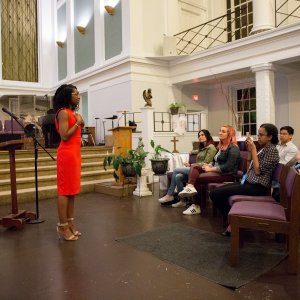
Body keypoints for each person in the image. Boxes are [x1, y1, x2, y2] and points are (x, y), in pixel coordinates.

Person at [210, 123, 279, 236]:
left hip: (257, 187)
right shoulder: (264, 149)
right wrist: (250, 151)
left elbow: (258, 171)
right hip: (248, 182)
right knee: (215, 192)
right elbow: (250, 166)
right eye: (258, 134)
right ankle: (233, 221)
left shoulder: (272, 150)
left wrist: (253, 150)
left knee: (216, 194)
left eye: (261, 135)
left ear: (270, 137)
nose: (258, 137)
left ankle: (234, 222)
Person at [179, 125, 241, 215]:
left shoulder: (233, 148)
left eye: (223, 131)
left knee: (198, 178)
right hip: (217, 171)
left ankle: (197, 205)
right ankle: (191, 189)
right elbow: (215, 161)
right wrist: (209, 164)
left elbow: (228, 167)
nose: (220, 133)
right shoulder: (221, 146)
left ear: (230, 134)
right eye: (220, 130)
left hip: (227, 175)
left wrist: (211, 169)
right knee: (195, 167)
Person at [53, 84, 84, 241]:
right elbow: (64, 136)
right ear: (67, 96)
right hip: (66, 154)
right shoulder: (63, 113)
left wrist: (79, 123)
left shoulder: (71, 112)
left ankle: (70, 223)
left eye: (78, 94)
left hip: (74, 154)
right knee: (64, 191)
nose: (78, 96)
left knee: (72, 191)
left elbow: (75, 133)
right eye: (75, 94)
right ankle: (62, 226)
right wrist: (78, 123)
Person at [158, 130, 217, 207]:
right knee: (178, 177)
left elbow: (206, 162)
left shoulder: (211, 148)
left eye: (202, 135)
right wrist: (192, 152)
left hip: (203, 170)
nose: (200, 137)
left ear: (207, 136)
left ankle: (169, 194)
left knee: (176, 170)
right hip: (196, 169)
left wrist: (191, 165)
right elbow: (198, 152)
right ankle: (183, 200)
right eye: (199, 135)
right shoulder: (203, 147)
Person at [272, 126, 298, 201]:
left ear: (290, 136)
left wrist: (272, 161)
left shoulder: (292, 148)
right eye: (280, 133)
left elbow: (284, 165)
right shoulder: (278, 146)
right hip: (276, 172)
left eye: (284, 134)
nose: (281, 135)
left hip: (283, 176)